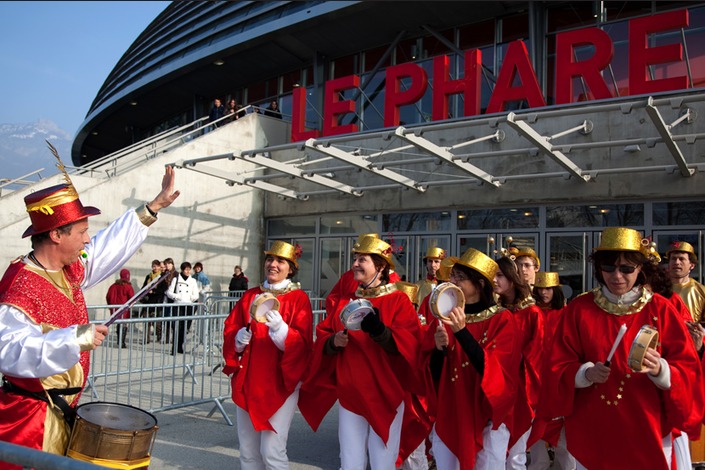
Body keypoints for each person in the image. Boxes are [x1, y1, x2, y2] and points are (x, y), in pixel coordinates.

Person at [0, 163, 179, 462]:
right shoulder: (21, 287)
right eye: (82, 232)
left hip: (63, 411)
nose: (87, 240)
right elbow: (10, 351)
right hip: (31, 420)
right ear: (57, 234)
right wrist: (75, 338)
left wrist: (153, 207)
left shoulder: (67, 269)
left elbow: (103, 248)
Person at [543, 227, 702, 470]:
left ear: (640, 269)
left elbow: (688, 367)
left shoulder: (660, 309)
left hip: (646, 422)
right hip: (594, 426)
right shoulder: (580, 309)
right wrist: (584, 374)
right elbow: (556, 364)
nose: (617, 276)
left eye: (626, 268)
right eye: (608, 267)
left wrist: (661, 369)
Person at [299, 236, 422, 470]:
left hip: (385, 396)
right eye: (355, 258)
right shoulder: (347, 300)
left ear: (381, 266)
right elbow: (324, 336)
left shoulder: (398, 301)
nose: (355, 264)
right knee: (350, 463)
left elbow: (409, 346)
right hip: (350, 396)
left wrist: (381, 332)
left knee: (382, 464)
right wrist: (333, 342)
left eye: (362, 259)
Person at [421, 248, 520, 469]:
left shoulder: (502, 319)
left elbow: (496, 374)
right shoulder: (445, 317)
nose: (453, 281)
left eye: (460, 277)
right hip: (451, 413)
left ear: (481, 283)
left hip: (487, 418)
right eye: (452, 275)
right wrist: (439, 350)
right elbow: (432, 376)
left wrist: (461, 333)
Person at [222, 241, 313, 470]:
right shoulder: (250, 295)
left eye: (280, 261)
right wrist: (238, 339)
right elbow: (231, 327)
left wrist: (281, 331)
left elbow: (302, 345)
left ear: (291, 268)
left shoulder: (298, 298)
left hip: (281, 382)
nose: (273, 264)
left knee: (272, 451)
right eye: (270, 259)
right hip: (249, 381)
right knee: (248, 451)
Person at [493, 255, 544, 470]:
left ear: (512, 280)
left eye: (499, 276)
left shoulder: (532, 313)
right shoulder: (493, 312)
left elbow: (538, 355)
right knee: (492, 452)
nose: (494, 280)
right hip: (493, 388)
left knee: (515, 455)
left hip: (520, 391)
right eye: (492, 276)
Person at [527, 272, 575, 470]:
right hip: (535, 377)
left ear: (555, 290)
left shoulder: (566, 314)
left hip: (559, 379)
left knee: (563, 427)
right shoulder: (531, 312)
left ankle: (568, 465)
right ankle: (539, 463)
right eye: (540, 289)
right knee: (536, 425)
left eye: (548, 289)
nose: (544, 293)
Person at [165, 261, 199, 355]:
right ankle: (174, 347)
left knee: (184, 328)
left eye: (189, 269)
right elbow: (169, 292)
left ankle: (180, 346)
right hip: (178, 305)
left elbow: (196, 294)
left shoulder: (192, 281)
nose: (188, 271)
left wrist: (191, 298)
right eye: (186, 269)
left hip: (188, 306)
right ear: (182, 270)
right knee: (176, 327)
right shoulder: (176, 280)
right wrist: (177, 296)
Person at [668, 240, 705, 322]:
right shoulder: (657, 289)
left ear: (692, 265)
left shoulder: (702, 291)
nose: (677, 262)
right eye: (673, 259)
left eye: (681, 259)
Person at [106, 268, 135, 349]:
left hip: (115, 308)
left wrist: (110, 306)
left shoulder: (113, 286)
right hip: (124, 309)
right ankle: (122, 342)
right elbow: (132, 298)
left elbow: (108, 296)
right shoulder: (128, 287)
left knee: (119, 324)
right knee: (124, 324)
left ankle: (119, 340)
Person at [141, 259, 167, 343]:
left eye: (156, 266)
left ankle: (159, 336)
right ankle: (146, 339)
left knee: (156, 322)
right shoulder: (149, 276)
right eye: (153, 266)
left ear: (160, 267)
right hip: (148, 301)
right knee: (146, 321)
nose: (154, 267)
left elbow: (163, 289)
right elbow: (144, 287)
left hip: (157, 301)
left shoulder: (162, 277)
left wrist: (154, 291)